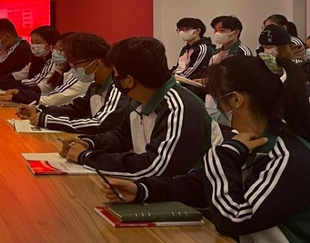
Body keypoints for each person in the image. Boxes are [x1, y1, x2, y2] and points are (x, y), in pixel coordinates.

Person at [101, 55, 310, 242]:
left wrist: (223, 157)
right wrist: (142, 190)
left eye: (216, 98)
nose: (214, 105)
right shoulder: (252, 140)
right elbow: (201, 184)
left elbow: (234, 218)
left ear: (236, 99)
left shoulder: (287, 157)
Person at [60, 37, 222, 179]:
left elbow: (155, 168)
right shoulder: (139, 99)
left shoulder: (178, 107)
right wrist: (88, 143)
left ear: (128, 80)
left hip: (185, 198)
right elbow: (122, 136)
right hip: (151, 187)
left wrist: (86, 157)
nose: (113, 76)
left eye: (114, 72)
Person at [16, 33, 129, 134]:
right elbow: (76, 110)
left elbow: (101, 124)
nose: (73, 69)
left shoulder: (118, 88)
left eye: (76, 64)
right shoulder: (95, 85)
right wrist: (39, 111)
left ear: (97, 63)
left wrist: (47, 120)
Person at [0, 33, 87, 107]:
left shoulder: (81, 74)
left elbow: (55, 98)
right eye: (55, 48)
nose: (33, 46)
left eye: (61, 49)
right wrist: (19, 92)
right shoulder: (60, 67)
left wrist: (19, 95)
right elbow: (47, 89)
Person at [0, 26, 59, 91]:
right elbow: (18, 75)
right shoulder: (36, 61)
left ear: (52, 44)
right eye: (32, 42)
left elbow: (37, 84)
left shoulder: (54, 62)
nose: (33, 46)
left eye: (38, 43)